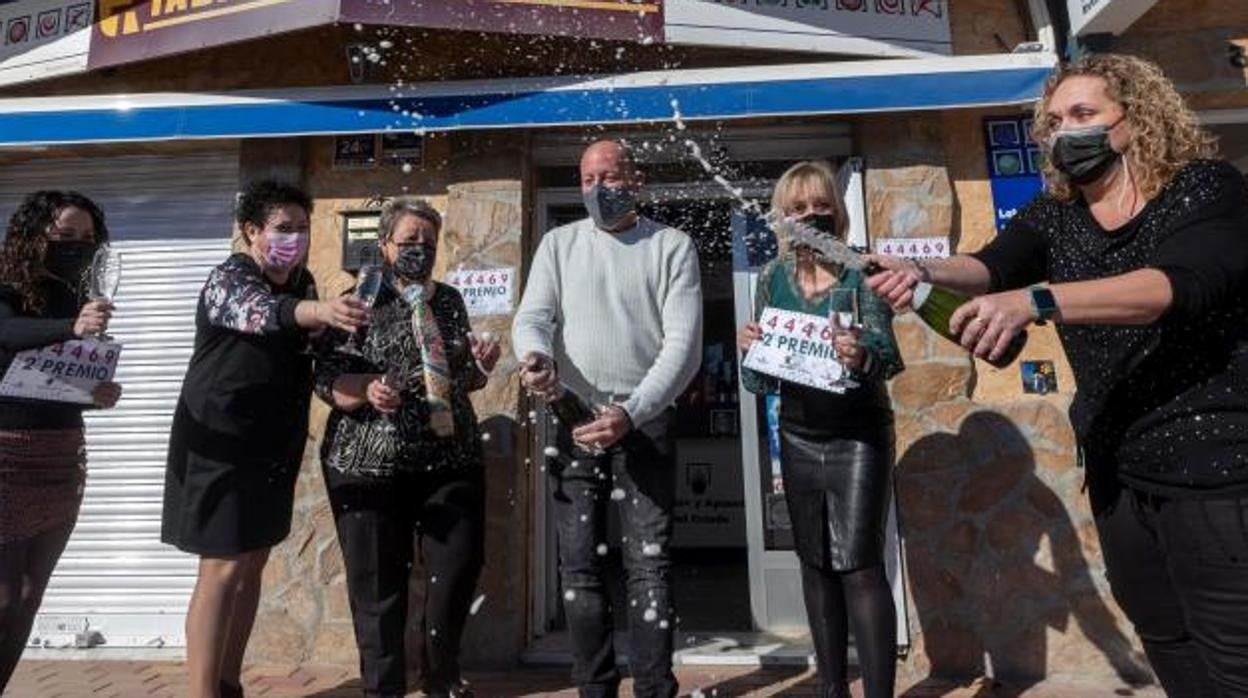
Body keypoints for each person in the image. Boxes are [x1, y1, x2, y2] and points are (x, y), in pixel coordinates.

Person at [867, 53, 1248, 697]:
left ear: (1135, 118)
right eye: (1052, 122)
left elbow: (1176, 286)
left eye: (1083, 114)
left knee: (1234, 651)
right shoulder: (1056, 213)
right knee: (1165, 637)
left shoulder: (1203, 187)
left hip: (1215, 464)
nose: (1064, 131)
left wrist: (1039, 299)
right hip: (1119, 466)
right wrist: (921, 272)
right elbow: (990, 266)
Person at [161, 180, 367, 698]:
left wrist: (351, 362)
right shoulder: (230, 277)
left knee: (253, 562)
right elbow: (261, 314)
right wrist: (317, 313)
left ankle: (229, 684)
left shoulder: (303, 281)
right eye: (282, 228)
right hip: (219, 442)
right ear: (252, 231)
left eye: (301, 228)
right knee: (223, 567)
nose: (294, 238)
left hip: (273, 442)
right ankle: (202, 691)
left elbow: (317, 353)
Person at [512, 139, 703, 698]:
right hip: (573, 421)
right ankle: (593, 686)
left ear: (636, 181)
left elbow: (684, 347)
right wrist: (537, 358)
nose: (599, 188)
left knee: (649, 566)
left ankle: (652, 688)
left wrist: (633, 410)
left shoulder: (672, 246)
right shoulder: (558, 244)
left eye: (610, 176)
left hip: (646, 422)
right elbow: (532, 318)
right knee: (578, 568)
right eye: (589, 179)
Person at [315, 197, 500, 698]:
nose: (419, 250)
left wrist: (480, 365)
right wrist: (367, 388)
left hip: (449, 458)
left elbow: (460, 378)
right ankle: (384, 687)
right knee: (378, 586)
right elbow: (325, 375)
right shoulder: (357, 301)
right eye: (409, 241)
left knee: (457, 571)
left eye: (428, 242)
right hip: (369, 463)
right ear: (384, 245)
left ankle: (441, 676)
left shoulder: (449, 302)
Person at [737, 161, 903, 698]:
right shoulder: (770, 279)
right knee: (814, 562)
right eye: (798, 208)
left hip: (858, 433)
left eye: (820, 205)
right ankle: (831, 687)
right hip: (799, 432)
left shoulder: (862, 271)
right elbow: (757, 382)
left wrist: (859, 356)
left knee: (858, 563)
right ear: (783, 219)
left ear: (837, 210)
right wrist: (752, 351)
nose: (811, 215)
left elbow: (888, 358)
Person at [0, 191, 121, 692]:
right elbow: (7, 332)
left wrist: (97, 391)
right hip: (6, 451)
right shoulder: (6, 284)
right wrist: (69, 326)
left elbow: (56, 374)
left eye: (88, 239)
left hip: (61, 453)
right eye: (65, 236)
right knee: (4, 594)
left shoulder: (80, 295)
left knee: (30, 594)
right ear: (33, 237)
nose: (76, 247)